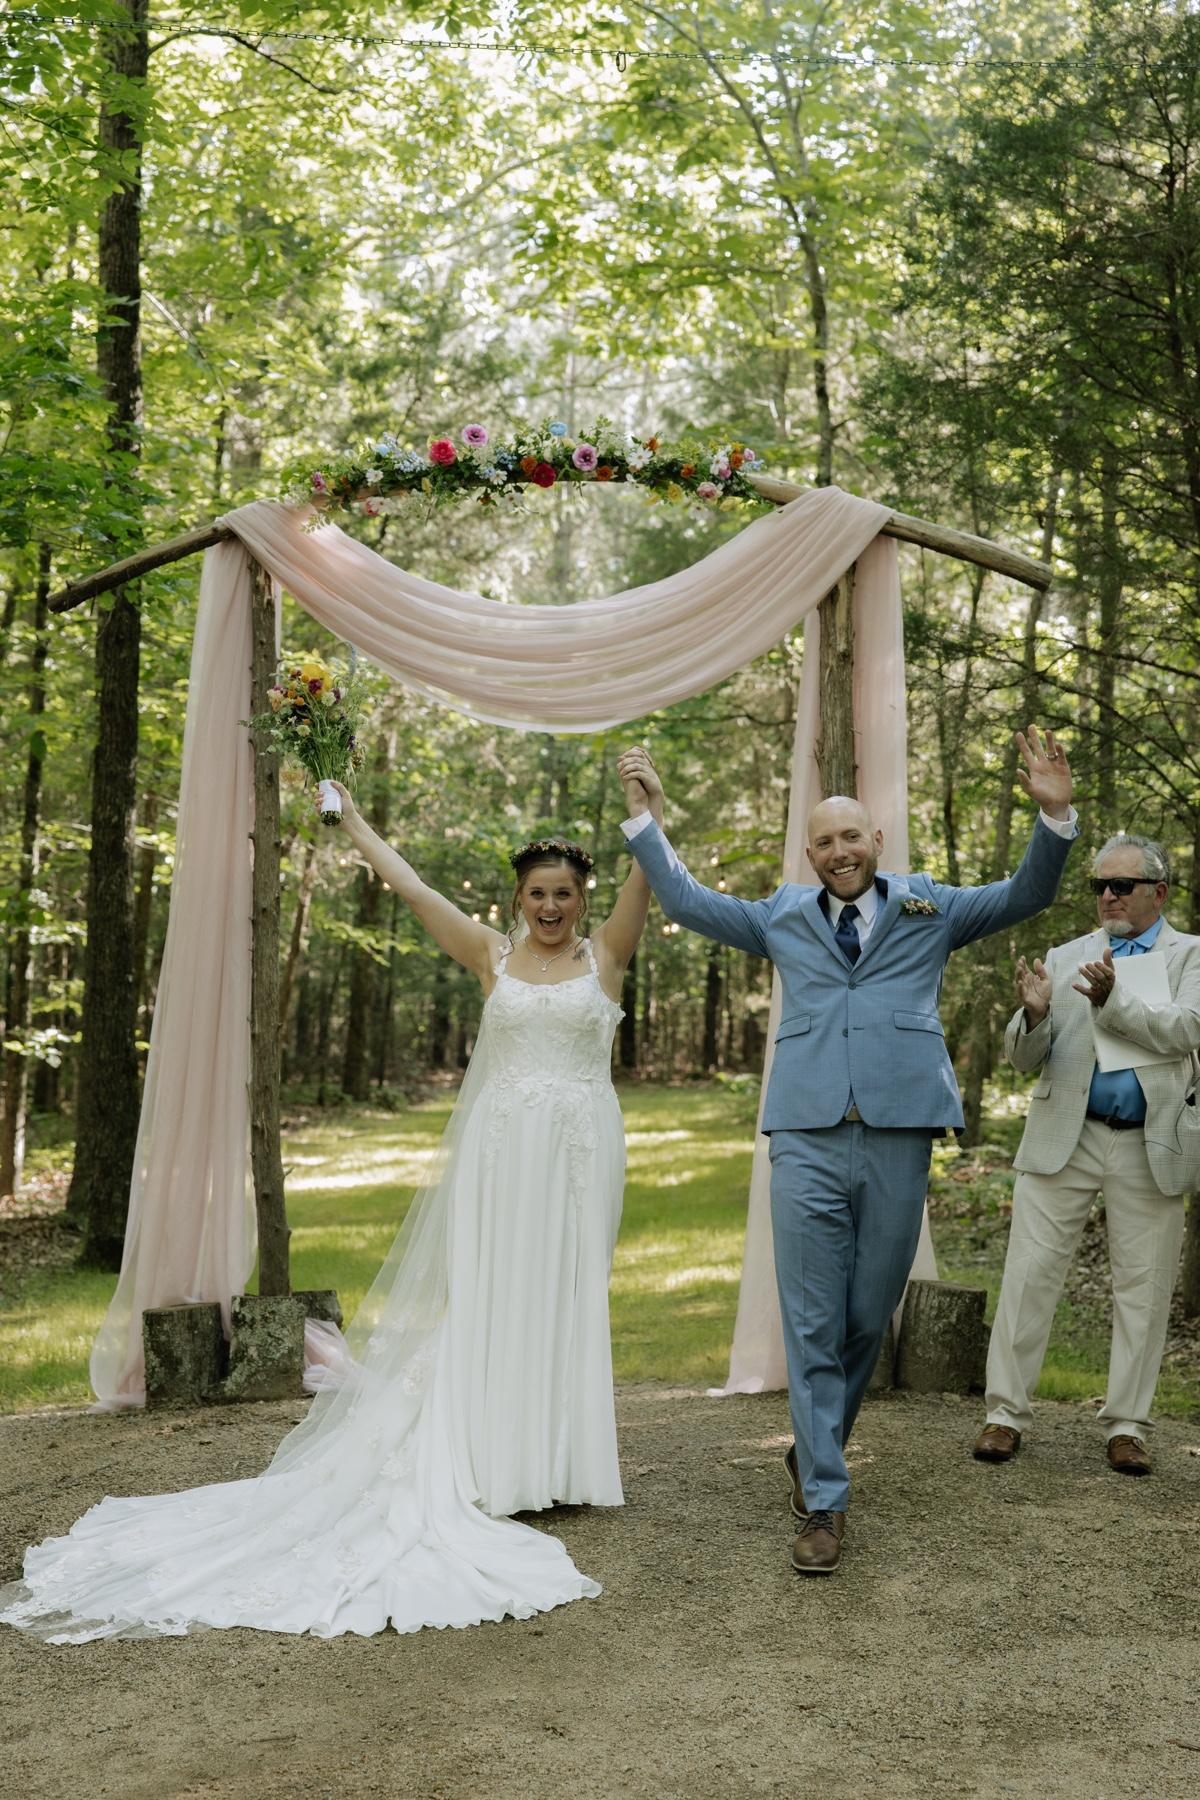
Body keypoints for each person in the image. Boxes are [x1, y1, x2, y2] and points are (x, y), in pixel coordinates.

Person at [0, 780, 661, 1641]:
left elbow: (646, 882)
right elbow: (412, 887)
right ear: (517, 899)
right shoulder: (490, 955)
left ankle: (559, 1463)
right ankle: (496, 1465)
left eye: (564, 894)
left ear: (581, 899)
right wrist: (351, 821)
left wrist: (647, 813)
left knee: (567, 1294)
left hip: (578, 1154)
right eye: (537, 893)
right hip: (501, 1157)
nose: (550, 907)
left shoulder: (604, 958)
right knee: (495, 1297)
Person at [618, 729, 1076, 1575]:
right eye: (825, 841)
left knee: (868, 1314)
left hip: (900, 1129)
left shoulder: (929, 907)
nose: (840, 852)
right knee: (812, 1318)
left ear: (876, 840)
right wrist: (646, 818)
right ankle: (825, 1500)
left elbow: (1025, 894)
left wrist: (1052, 818)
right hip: (805, 1132)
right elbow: (685, 900)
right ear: (810, 854)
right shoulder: (781, 917)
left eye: (852, 837)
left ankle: (815, 1442)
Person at [974, 832, 1200, 1476]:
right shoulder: (1067, 954)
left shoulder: (1191, 956)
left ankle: (1128, 1425)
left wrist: (1112, 999)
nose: (1108, 896)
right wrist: (1034, 1016)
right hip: (1063, 1137)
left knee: (1144, 1289)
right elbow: (1024, 1059)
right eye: (1099, 885)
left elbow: (1187, 1029)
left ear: (1159, 892)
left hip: (1150, 1142)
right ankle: (1004, 1415)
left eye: (1122, 885)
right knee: (1027, 1277)